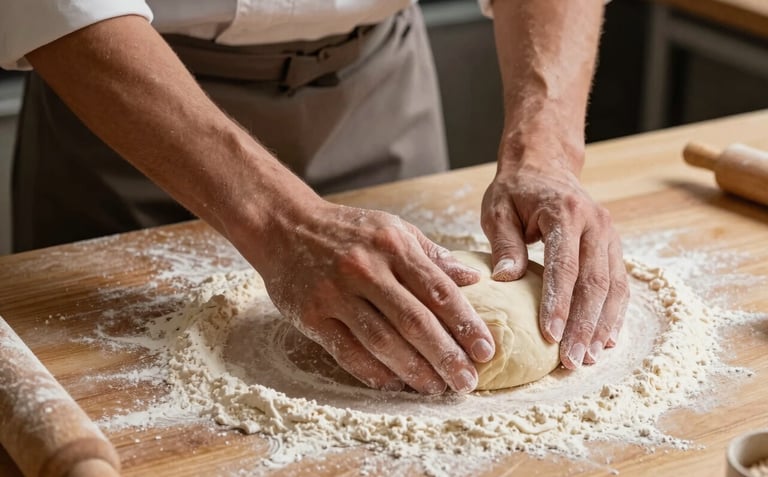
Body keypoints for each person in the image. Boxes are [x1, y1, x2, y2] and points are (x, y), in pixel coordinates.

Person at [1, 0, 628, 395]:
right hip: (140, 105)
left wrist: (544, 146)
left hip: (378, 82)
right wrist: (282, 222)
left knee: (421, 308)